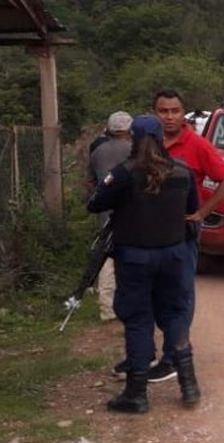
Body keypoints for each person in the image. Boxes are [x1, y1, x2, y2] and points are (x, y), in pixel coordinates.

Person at [87, 116, 200, 414]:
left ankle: (136, 394)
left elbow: (94, 203)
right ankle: (189, 385)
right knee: (174, 315)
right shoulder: (182, 171)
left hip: (135, 258)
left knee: (138, 320)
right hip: (174, 255)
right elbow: (192, 208)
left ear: (133, 139)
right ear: (162, 138)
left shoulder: (124, 174)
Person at [149, 89, 224, 383]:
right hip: (150, 231)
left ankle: (174, 356)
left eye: (174, 111)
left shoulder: (196, 144)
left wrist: (202, 212)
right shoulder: (148, 143)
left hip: (183, 231)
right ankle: (147, 353)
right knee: (152, 292)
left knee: (181, 292)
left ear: (182, 113)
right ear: (154, 114)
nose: (169, 117)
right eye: (163, 111)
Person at [87, 111, 133, 322]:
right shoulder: (133, 150)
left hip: (105, 211)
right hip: (130, 211)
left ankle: (106, 308)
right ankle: (128, 303)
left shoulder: (97, 151)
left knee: (106, 256)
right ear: (129, 129)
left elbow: (90, 182)